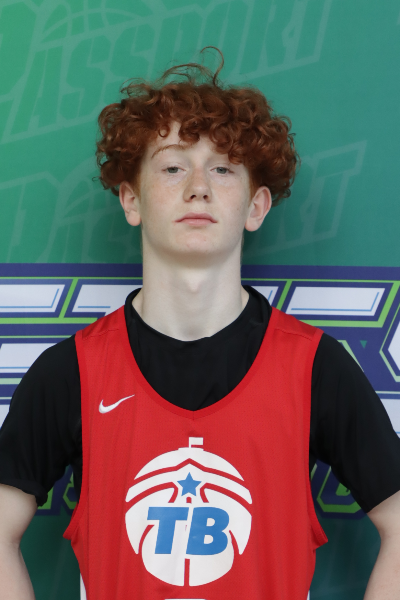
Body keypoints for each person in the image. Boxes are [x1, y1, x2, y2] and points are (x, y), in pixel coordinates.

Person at [1, 48, 400, 600]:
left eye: (223, 168)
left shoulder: (314, 368)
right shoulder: (72, 371)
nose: (198, 186)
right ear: (131, 199)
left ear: (256, 207)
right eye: (172, 166)